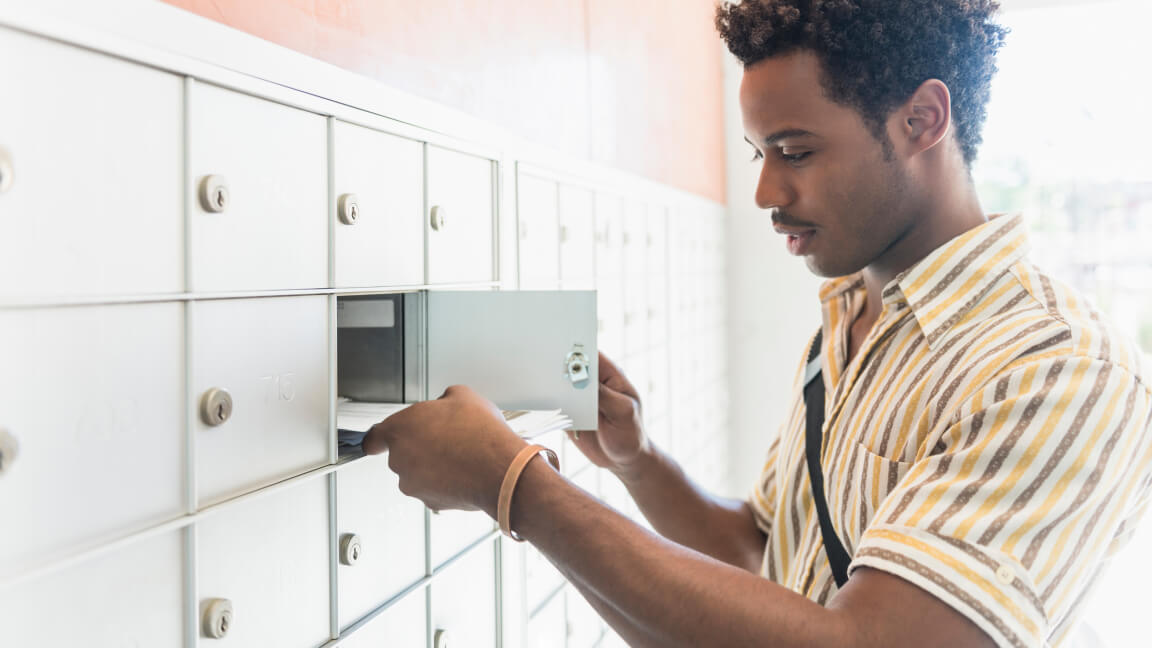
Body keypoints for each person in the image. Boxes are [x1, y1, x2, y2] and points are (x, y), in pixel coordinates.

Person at [363, 1, 1152, 645]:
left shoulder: (1061, 370)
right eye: (757, 155)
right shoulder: (850, 322)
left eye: (796, 152)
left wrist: (514, 487)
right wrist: (639, 463)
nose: (767, 192)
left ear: (922, 120)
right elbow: (763, 555)